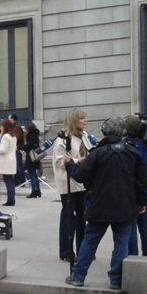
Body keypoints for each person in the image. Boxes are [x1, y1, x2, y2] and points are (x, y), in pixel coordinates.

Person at [63, 117, 147, 289]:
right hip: (125, 206)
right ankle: (116, 279)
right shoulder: (133, 153)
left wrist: (69, 165)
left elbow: (80, 176)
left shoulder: (97, 153)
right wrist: (142, 202)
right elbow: (142, 182)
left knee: (90, 241)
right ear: (122, 133)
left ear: (104, 132)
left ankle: (79, 275)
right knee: (121, 243)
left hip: (99, 205)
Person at [53, 108, 93, 262]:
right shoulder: (63, 139)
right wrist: (77, 161)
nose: (85, 121)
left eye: (85, 118)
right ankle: (66, 251)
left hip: (82, 182)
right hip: (68, 182)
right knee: (68, 217)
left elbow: (88, 152)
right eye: (82, 118)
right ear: (73, 121)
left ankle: (83, 250)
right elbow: (59, 161)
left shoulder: (85, 136)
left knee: (82, 217)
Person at [123, 115, 147, 257]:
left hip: (130, 192)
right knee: (146, 229)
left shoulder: (123, 147)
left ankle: (132, 258)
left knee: (131, 228)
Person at [0, 119, 17, 206]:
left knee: (8, 181)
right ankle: (12, 198)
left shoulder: (6, 136)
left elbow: (3, 150)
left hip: (6, 161)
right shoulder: (13, 136)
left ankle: (10, 199)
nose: (0, 127)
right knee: (11, 180)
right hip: (11, 160)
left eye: (1, 126)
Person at [20, 122, 42, 199]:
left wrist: (20, 147)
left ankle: (34, 191)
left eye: (26, 129)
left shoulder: (31, 136)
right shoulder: (35, 135)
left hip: (31, 156)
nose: (25, 131)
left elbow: (28, 145)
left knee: (31, 174)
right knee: (34, 175)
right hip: (35, 156)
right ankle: (38, 190)